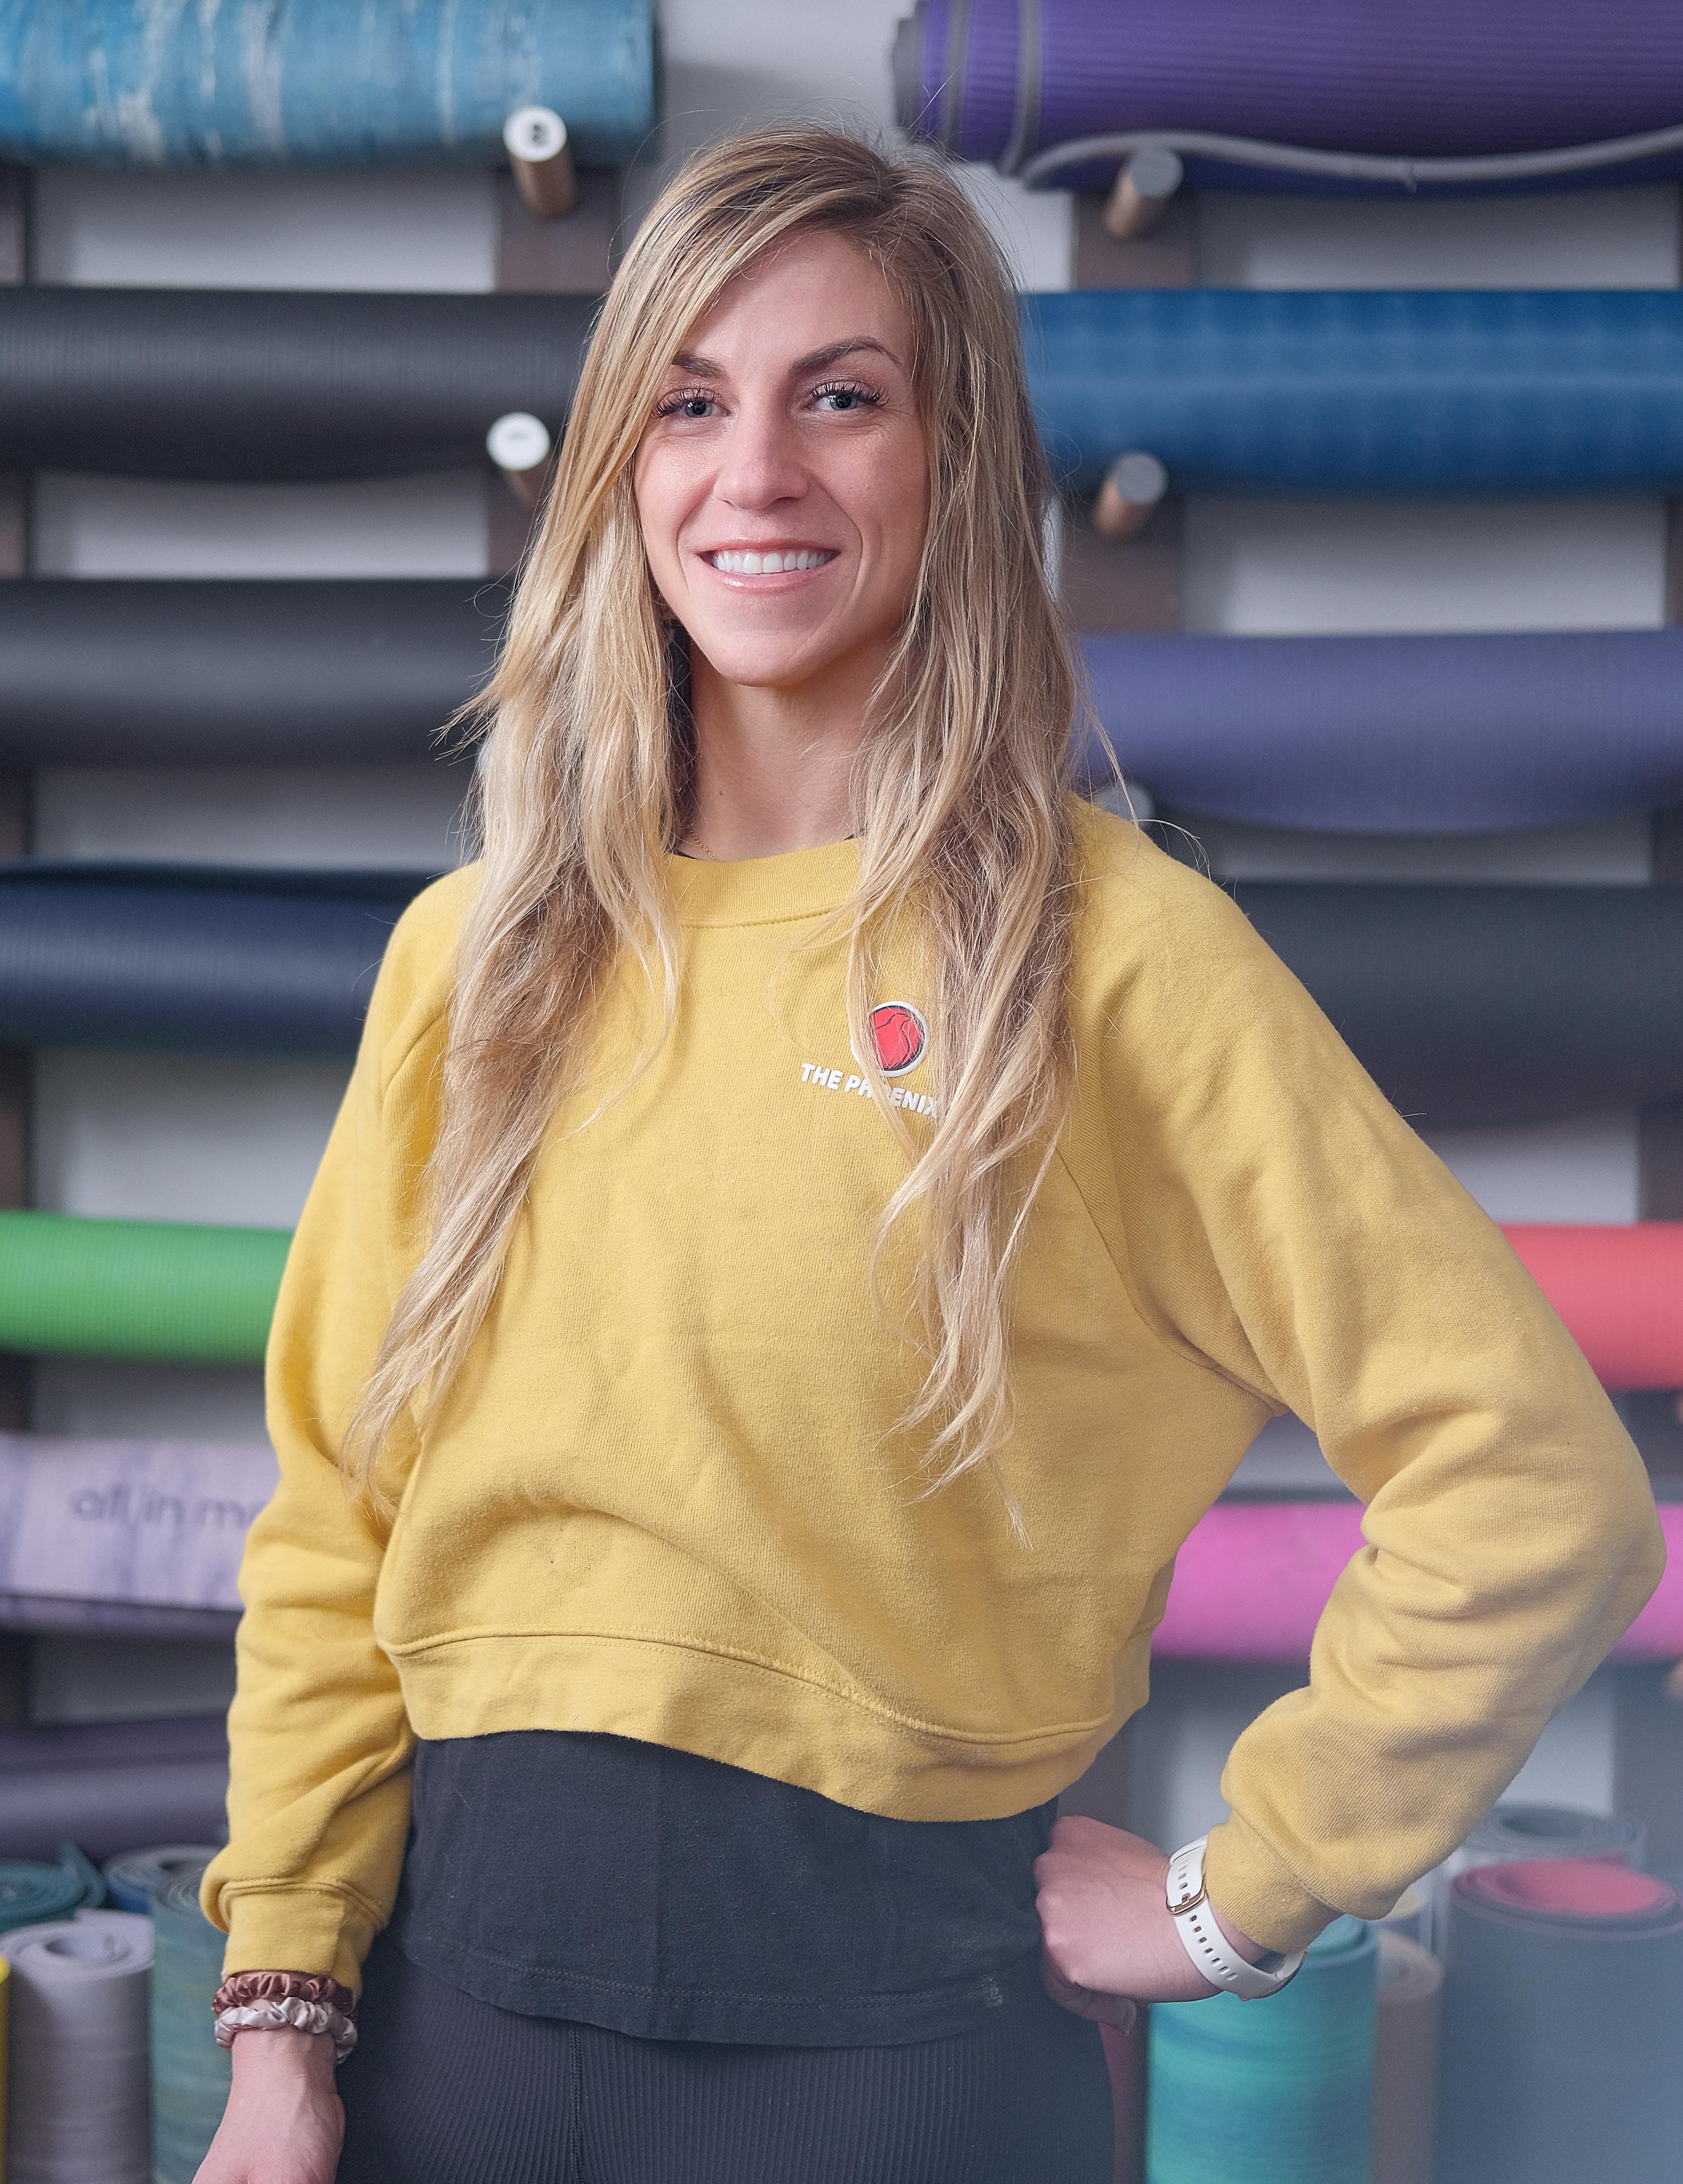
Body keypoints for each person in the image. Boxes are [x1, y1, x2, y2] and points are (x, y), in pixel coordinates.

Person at [194, 127, 1664, 2184]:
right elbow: (333, 1521)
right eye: (688, 402)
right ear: (619, 464)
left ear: (952, 456)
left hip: (887, 2074)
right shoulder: (479, 957)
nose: (755, 470)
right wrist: (283, 2019)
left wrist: (1237, 1892)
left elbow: (1537, 1487)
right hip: (452, 2050)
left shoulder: (1112, 956)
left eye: (840, 396)